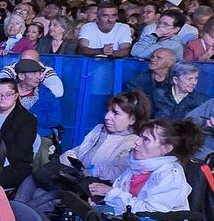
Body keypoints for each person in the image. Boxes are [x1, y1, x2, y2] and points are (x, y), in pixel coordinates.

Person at [17, 91, 149, 212]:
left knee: (41, 195)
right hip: (73, 175)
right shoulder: (99, 129)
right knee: (31, 180)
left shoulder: (133, 143)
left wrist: (92, 170)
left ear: (132, 119)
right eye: (108, 111)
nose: (107, 117)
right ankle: (14, 220)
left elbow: (121, 174)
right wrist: (71, 158)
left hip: (89, 188)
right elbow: (79, 150)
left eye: (116, 113)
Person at [87, 119, 202, 214]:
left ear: (165, 149)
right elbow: (121, 199)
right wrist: (100, 204)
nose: (137, 142)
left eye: (146, 139)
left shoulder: (170, 176)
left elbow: (148, 212)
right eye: (140, 137)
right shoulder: (137, 166)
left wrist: (110, 193)